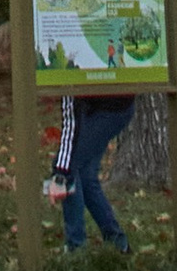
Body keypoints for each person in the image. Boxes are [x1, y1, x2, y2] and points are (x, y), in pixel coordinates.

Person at [45, 91, 134, 257]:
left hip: (113, 109)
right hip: (119, 106)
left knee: (70, 167)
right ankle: (118, 244)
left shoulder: (68, 78)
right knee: (85, 174)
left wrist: (60, 175)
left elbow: (71, 128)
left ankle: (75, 249)